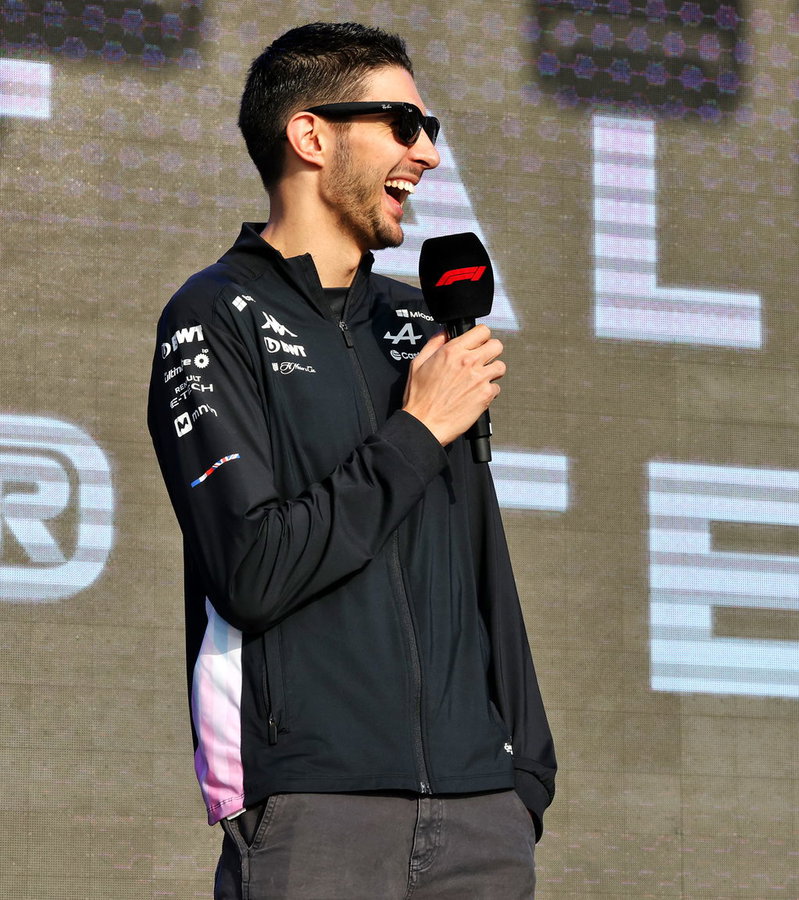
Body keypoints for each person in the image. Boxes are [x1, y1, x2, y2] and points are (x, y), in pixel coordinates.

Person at [146, 22, 554, 899]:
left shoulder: (420, 325)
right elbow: (252, 568)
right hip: (316, 810)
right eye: (403, 126)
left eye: (430, 129)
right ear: (311, 135)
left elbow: (483, 559)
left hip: (483, 816)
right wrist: (416, 430)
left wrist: (523, 780)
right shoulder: (214, 316)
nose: (428, 155)